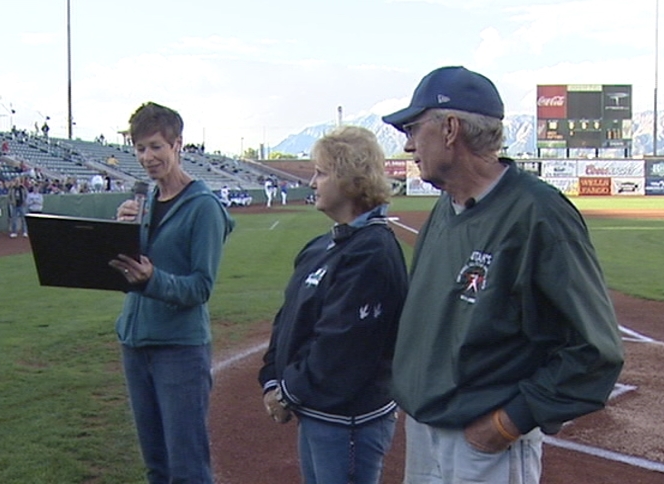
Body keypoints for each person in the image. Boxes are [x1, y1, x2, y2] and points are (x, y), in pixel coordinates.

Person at [381, 66, 624, 484]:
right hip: (424, 430)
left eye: (414, 128)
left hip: (483, 442)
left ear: (450, 129)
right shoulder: (446, 207)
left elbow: (595, 349)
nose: (407, 145)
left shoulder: (538, 214)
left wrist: (509, 422)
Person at [258, 125, 409, 484]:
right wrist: (271, 379)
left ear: (349, 178)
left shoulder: (372, 252)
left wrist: (288, 392)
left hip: (349, 420)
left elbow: (342, 344)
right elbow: (289, 317)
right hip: (318, 413)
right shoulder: (322, 245)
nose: (313, 182)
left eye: (322, 173)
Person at [109, 102, 234, 484]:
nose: (147, 157)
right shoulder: (144, 203)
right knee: (156, 465)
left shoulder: (203, 208)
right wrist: (121, 235)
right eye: (140, 148)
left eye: (156, 147)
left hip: (179, 349)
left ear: (178, 144)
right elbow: (129, 271)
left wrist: (152, 279)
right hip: (136, 342)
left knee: (187, 465)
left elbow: (201, 286)